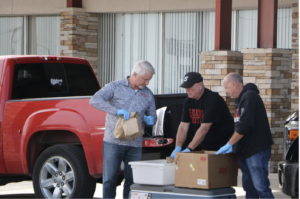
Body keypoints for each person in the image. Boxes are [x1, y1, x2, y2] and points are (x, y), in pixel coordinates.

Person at [89, 60, 157, 199]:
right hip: (113, 142)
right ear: (135, 74)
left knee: (132, 181)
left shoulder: (148, 94)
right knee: (109, 180)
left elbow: (153, 116)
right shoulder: (115, 86)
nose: (147, 83)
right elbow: (95, 100)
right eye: (145, 79)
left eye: (149, 80)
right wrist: (116, 110)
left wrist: (150, 120)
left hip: (135, 144)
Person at [215, 72, 274, 199]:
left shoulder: (250, 97)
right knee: (249, 188)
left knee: (261, 187)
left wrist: (229, 144)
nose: (226, 91)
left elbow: (245, 125)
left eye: (226, 87)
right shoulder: (240, 100)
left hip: (256, 151)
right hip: (245, 151)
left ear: (234, 84)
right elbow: (238, 124)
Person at [170, 72, 234, 159]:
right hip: (205, 146)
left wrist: (189, 148)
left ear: (200, 85)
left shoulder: (213, 100)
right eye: (186, 87)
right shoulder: (188, 101)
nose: (187, 90)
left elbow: (204, 129)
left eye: (190, 87)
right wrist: (178, 147)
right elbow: (183, 126)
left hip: (223, 147)